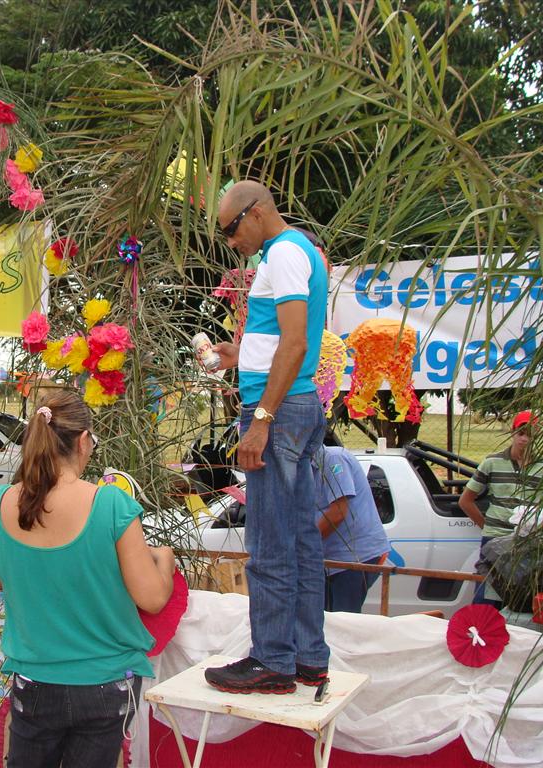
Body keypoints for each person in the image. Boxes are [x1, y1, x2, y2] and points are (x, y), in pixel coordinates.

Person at [0, 389, 175, 768]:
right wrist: (164, 561)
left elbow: (2, 579)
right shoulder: (110, 504)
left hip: (34, 682)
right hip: (105, 683)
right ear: (83, 441)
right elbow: (151, 598)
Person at [204, 180, 330, 694]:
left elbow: (296, 344)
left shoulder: (282, 255)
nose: (231, 242)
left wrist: (262, 419)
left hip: (276, 410)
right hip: (292, 405)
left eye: (231, 229)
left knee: (271, 542)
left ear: (256, 214)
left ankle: (273, 659)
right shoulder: (296, 253)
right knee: (299, 538)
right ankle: (306, 656)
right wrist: (240, 356)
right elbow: (283, 339)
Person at [459, 410, 543, 608]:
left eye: (530, 434)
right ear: (513, 433)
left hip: (529, 542)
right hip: (495, 539)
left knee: (523, 600)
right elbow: (466, 501)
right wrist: (487, 526)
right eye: (521, 433)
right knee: (487, 599)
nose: (524, 439)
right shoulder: (492, 462)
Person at [314, 446, 391, 612]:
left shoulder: (333, 458)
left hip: (354, 558)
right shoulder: (302, 467)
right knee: (327, 622)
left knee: (343, 623)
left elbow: (338, 512)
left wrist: (303, 544)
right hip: (329, 560)